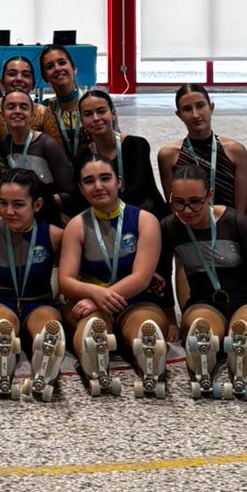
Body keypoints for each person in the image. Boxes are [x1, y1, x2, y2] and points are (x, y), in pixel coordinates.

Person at [160, 167, 247, 403]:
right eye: (179, 203)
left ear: (210, 195)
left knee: (245, 329)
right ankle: (203, 365)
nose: (187, 210)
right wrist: (171, 320)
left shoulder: (235, 221)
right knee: (201, 329)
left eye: (195, 202)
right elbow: (162, 275)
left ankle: (244, 367)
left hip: (246, 299)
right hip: (203, 301)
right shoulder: (170, 226)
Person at [58, 156, 170, 401]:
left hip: (136, 299)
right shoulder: (77, 226)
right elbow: (65, 281)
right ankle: (95, 367)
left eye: (105, 178)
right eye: (89, 181)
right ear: (81, 189)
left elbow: (142, 278)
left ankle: (150, 364)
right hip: (89, 303)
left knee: (145, 327)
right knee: (90, 327)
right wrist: (95, 295)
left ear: (118, 182)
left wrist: (98, 297)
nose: (98, 186)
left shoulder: (145, 220)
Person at [0, 168, 67, 401]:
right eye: (3, 203)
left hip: (39, 301)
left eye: (18, 205)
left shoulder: (55, 235)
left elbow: (64, 274)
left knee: (48, 325)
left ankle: (44, 371)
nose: (9, 211)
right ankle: (2, 367)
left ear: (37, 205)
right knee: (4, 322)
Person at [0, 88, 73, 222]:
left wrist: (33, 203)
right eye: (11, 107)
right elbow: (2, 170)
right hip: (16, 208)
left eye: (23, 107)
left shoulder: (47, 144)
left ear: (32, 114)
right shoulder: (6, 144)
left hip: (44, 209)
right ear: (2, 114)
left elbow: (70, 195)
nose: (17, 111)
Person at [157, 85, 247, 212]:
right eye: (187, 109)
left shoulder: (235, 151)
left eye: (200, 106)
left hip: (229, 222)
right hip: (188, 221)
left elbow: (241, 210)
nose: (195, 115)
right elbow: (175, 208)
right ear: (179, 115)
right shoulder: (169, 156)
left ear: (211, 108)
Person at [71, 89, 160, 212]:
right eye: (88, 114)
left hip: (146, 214)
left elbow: (140, 190)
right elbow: (81, 199)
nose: (95, 118)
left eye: (101, 111)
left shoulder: (136, 145)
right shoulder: (81, 159)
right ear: (82, 121)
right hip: (103, 217)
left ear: (113, 114)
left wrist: (105, 207)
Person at [0, 56, 48, 165]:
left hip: (37, 170)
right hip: (0, 171)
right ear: (2, 82)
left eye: (26, 75)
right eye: (12, 74)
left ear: (33, 84)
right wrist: (10, 175)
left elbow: (55, 152)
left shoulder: (43, 112)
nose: (19, 79)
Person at [38, 46, 86, 160]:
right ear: (45, 77)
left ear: (74, 69)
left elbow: (115, 141)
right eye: (50, 66)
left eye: (62, 62)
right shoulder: (43, 110)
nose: (57, 68)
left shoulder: (95, 103)